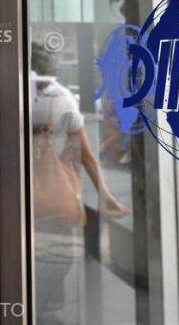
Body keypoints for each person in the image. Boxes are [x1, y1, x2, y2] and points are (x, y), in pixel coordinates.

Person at [30, 43, 129, 322]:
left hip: (19, 195)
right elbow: (85, 155)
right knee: (54, 257)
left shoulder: (11, 93)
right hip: (56, 198)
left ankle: (32, 306)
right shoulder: (62, 98)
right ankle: (45, 307)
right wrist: (104, 194)